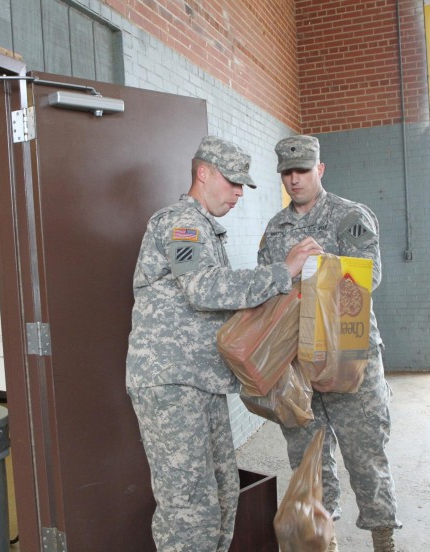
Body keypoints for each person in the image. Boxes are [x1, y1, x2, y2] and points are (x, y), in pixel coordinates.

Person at [126, 135, 323, 552]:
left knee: (221, 496)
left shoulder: (207, 230)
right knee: (189, 509)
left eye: (242, 185)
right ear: (203, 173)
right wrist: (281, 271)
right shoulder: (180, 223)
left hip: (203, 382)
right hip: (171, 383)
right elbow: (203, 288)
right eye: (232, 181)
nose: (238, 192)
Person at [258, 135, 402, 552]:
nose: (294, 179)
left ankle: (383, 538)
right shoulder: (276, 228)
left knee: (366, 454)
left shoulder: (349, 217)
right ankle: (323, 542)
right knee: (308, 460)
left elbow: (367, 279)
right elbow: (267, 287)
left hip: (348, 360)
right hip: (298, 362)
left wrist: (313, 267)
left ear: (319, 170)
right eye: (287, 172)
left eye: (302, 170)